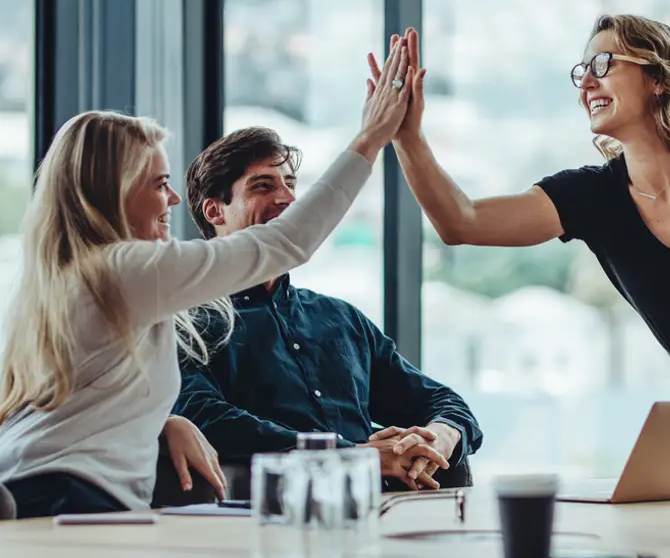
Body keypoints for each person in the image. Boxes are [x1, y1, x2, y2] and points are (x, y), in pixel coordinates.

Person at [0, 38, 412, 518]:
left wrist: (164, 422)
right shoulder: (123, 270)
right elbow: (286, 242)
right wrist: (369, 140)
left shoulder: (63, 277)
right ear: (113, 192)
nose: (172, 201)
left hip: (36, 491)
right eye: (158, 184)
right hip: (71, 499)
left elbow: (81, 402)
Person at [368, 18, 670, 409]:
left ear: (659, 78)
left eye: (602, 65)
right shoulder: (592, 196)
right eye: (581, 73)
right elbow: (460, 222)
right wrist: (407, 136)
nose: (585, 86)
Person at [173, 127, 483, 492]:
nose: (288, 198)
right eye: (263, 186)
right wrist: (352, 455)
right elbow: (206, 418)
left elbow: (442, 401)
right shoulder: (186, 322)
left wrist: (439, 437)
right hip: (265, 519)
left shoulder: (340, 318)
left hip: (383, 514)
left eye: (290, 183)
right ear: (215, 210)